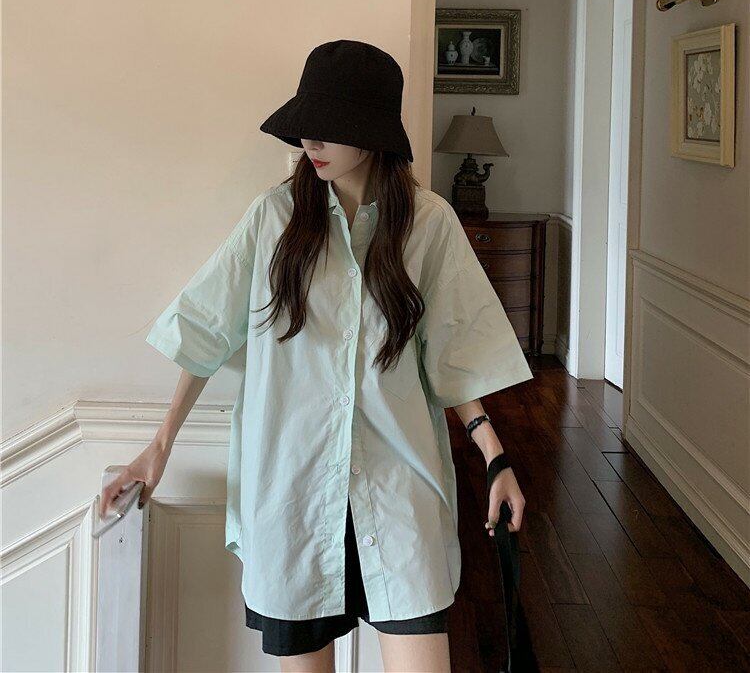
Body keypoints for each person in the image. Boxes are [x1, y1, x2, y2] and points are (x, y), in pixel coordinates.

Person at [99, 39, 533, 673]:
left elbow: (453, 354)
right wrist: (158, 446)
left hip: (397, 486)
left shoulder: (429, 223)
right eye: (306, 123)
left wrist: (496, 457)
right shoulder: (273, 219)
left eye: (332, 125)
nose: (311, 141)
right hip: (293, 493)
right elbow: (205, 332)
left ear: (375, 133)